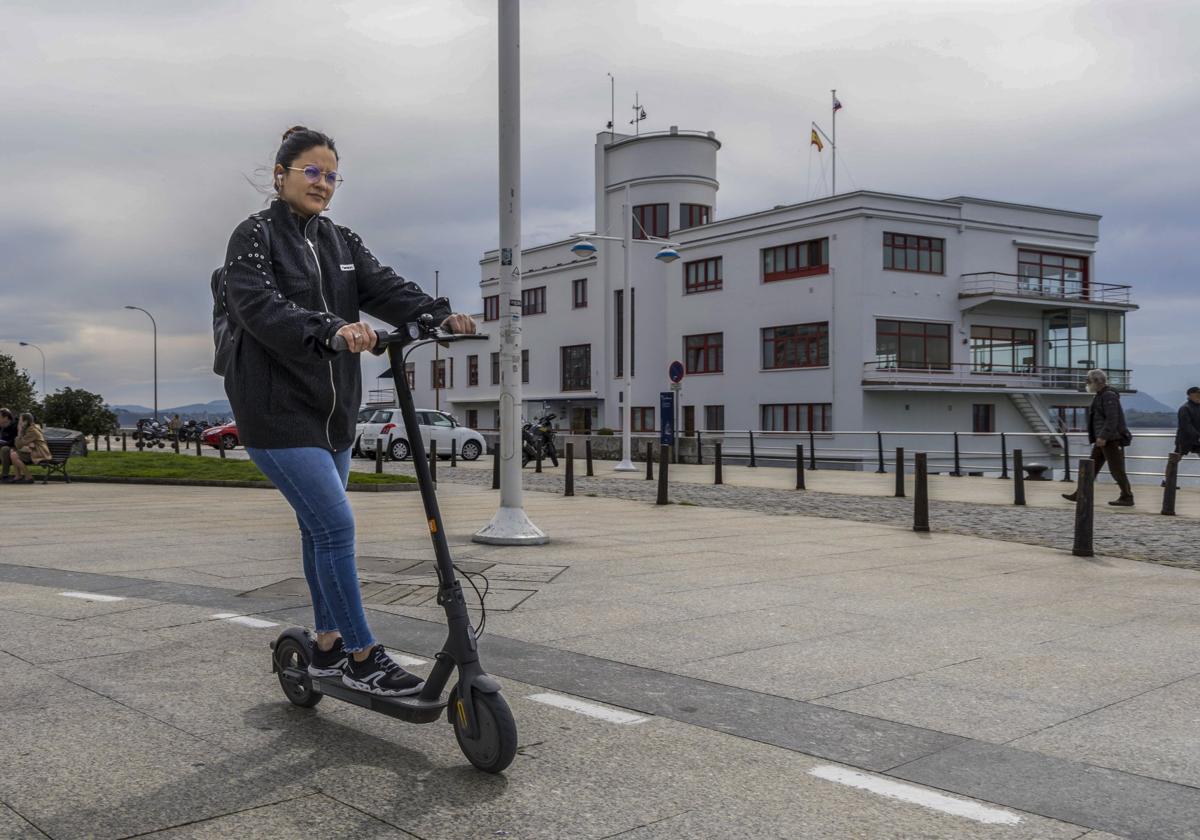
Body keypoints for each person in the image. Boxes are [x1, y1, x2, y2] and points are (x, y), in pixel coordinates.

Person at [222, 125, 475, 697]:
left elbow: (383, 286)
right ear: (280, 175)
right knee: (336, 527)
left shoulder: (340, 240)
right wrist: (332, 329)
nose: (322, 183)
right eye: (311, 171)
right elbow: (260, 309)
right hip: (276, 410)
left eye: (331, 174)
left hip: (334, 413)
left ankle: (329, 646)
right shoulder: (254, 237)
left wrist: (438, 315)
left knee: (319, 533)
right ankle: (364, 656)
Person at [1062, 369, 1134, 506]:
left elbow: (1112, 419)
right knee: (1091, 468)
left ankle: (1127, 496)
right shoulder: (1100, 395)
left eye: (1088, 381)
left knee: (1116, 470)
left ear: (1097, 381)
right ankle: (1080, 493)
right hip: (1102, 440)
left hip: (1110, 440)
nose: (1087, 383)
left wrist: (1103, 436)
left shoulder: (1108, 396)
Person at [7, 412, 52, 485]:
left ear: (25, 421)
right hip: (34, 451)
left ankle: (29, 477)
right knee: (13, 451)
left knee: (14, 455)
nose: (19, 422)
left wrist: (19, 431)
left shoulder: (32, 430)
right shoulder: (29, 428)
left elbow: (19, 444)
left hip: (40, 453)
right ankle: (18, 476)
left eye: (20, 420)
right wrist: (27, 443)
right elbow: (20, 445)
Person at [1174, 387, 1200, 458]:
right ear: (1190, 395)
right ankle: (1170, 469)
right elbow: (1186, 426)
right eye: (1197, 394)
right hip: (1184, 440)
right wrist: (1198, 435)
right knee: (1175, 460)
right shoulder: (1185, 408)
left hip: (1197, 440)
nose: (1199, 395)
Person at [0, 408, 17, 483]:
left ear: (6, 417)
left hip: (13, 448)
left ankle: (5, 475)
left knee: (5, 449)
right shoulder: (1, 426)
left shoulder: (15, 426)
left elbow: (15, 441)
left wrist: (5, 443)